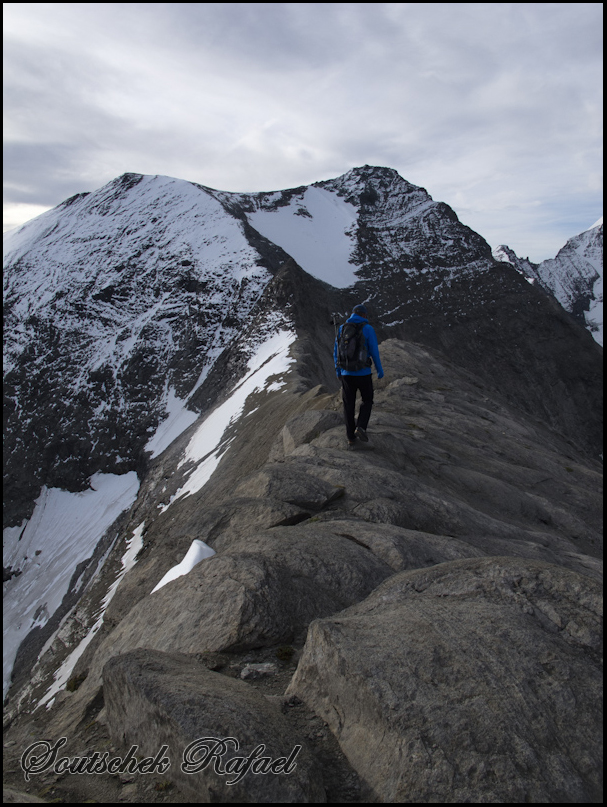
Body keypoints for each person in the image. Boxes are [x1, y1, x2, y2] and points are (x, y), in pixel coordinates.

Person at [334, 304, 384, 448]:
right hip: (363, 373)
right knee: (367, 400)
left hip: (346, 374)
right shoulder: (368, 329)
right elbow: (374, 351)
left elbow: (336, 352)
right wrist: (379, 370)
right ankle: (361, 427)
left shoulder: (342, 329)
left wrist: (338, 372)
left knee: (348, 405)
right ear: (364, 315)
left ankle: (350, 437)